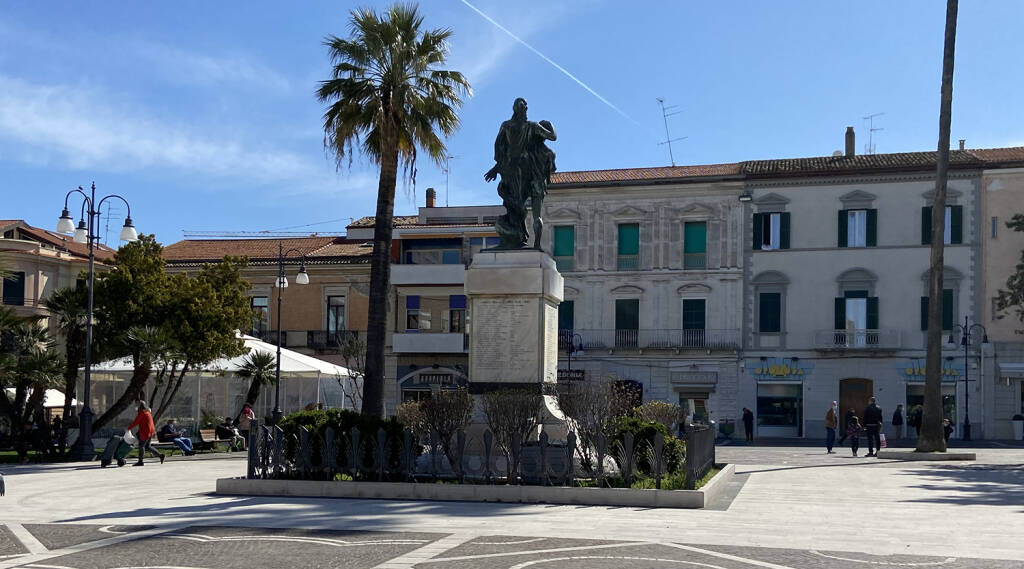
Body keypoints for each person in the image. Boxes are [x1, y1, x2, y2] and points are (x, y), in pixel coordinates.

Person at [483, 97, 558, 250]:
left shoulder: (506, 126)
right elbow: (553, 137)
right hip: (527, 170)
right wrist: (549, 124)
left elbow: (499, 149)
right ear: (524, 110)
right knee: (525, 209)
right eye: (525, 107)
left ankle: (517, 239)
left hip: (509, 170)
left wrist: (496, 168)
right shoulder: (532, 126)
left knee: (514, 205)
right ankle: (529, 243)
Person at [127, 401, 164, 466]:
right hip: (150, 431)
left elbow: (136, 422)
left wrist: (128, 428)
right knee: (147, 446)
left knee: (141, 446)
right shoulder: (147, 412)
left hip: (145, 432)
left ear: (140, 407)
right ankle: (160, 455)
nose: (136, 407)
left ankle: (140, 461)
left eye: (137, 406)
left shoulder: (142, 413)